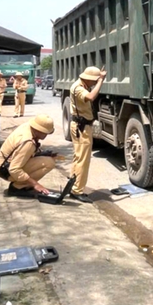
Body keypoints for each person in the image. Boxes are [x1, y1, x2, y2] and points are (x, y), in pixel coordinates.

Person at [67, 66, 106, 203]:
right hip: (81, 127)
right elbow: (91, 96)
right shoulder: (78, 88)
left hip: (81, 126)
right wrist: (101, 80)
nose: (94, 83)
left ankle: (73, 183)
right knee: (82, 159)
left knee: (79, 157)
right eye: (94, 81)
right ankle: (77, 190)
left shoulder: (81, 85)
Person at [0, 114, 58, 197]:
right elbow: (14, 169)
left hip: (4, 164)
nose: (46, 135)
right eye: (45, 133)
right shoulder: (28, 143)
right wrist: (35, 184)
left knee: (47, 158)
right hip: (6, 171)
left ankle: (21, 184)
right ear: (38, 130)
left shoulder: (27, 126)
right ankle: (17, 187)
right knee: (49, 163)